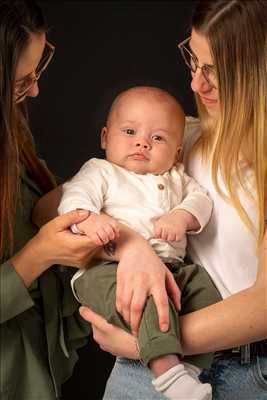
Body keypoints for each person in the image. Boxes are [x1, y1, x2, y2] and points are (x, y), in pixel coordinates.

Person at [78, 1, 267, 399]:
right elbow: (55, 209)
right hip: (147, 366)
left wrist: (145, 344)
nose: (197, 84)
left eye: (216, 71)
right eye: (194, 62)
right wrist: (129, 246)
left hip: (244, 370)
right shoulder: (185, 139)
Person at [58, 86, 222, 400]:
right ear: (106, 138)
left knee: (204, 288)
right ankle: (167, 371)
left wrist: (181, 217)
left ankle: (190, 369)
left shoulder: (177, 177)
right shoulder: (101, 172)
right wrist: (89, 219)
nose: (142, 142)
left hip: (172, 269)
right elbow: (74, 199)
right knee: (146, 298)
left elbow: (201, 201)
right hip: (107, 269)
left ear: (176, 152)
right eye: (130, 131)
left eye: (158, 138)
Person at [0, 1, 101, 399]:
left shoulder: (12, 132)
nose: (36, 90)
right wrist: (39, 254)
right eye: (21, 81)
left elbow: (44, 206)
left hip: (40, 374)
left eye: (37, 72)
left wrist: (108, 177)